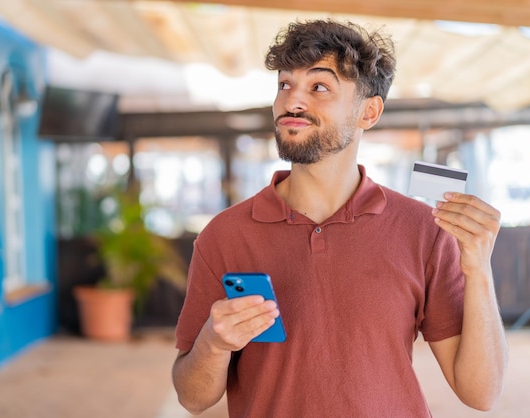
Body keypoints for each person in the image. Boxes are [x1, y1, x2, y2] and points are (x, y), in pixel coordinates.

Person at [172, 19, 507, 417]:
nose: (292, 102)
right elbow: (192, 398)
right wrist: (213, 342)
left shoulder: (423, 230)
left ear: (369, 112)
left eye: (318, 87)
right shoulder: (224, 235)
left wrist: (480, 271)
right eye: (284, 85)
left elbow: (480, 393)